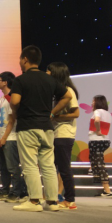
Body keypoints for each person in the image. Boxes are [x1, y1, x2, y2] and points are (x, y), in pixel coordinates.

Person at [9, 45, 72, 212]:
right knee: (49, 165)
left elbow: (15, 101)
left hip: (28, 126)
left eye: (20, 59)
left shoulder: (20, 80)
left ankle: (34, 201)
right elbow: (67, 96)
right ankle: (52, 202)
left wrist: (15, 109)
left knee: (30, 164)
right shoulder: (49, 79)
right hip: (47, 127)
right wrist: (52, 112)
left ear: (25, 59)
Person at [0, 72, 28, 203]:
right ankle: (4, 190)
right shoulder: (1, 99)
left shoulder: (11, 98)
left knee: (12, 167)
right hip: (0, 138)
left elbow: (12, 120)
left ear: (5, 82)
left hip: (10, 138)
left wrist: (4, 137)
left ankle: (16, 192)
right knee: (3, 168)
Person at [47, 62, 80, 209]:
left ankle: (70, 200)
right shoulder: (57, 91)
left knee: (64, 168)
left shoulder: (68, 91)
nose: (46, 73)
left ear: (56, 73)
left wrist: (55, 116)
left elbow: (76, 113)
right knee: (53, 166)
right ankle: (53, 196)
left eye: (48, 71)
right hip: (55, 133)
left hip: (64, 134)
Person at [88, 95, 112, 198]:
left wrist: (98, 130)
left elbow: (97, 120)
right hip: (105, 141)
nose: (92, 103)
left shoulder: (97, 111)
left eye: (93, 101)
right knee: (96, 160)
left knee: (100, 164)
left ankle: (108, 190)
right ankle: (92, 169)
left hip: (96, 141)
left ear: (97, 102)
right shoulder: (108, 113)